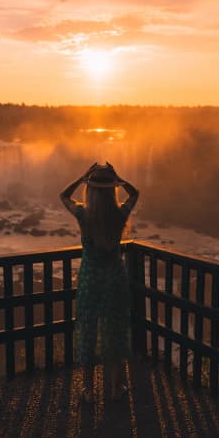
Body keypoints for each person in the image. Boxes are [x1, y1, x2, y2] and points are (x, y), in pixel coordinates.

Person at [59, 162, 139, 402]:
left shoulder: (83, 214)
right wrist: (119, 179)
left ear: (90, 190)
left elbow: (63, 196)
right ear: (112, 190)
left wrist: (81, 177)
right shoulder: (120, 213)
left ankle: (88, 390)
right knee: (114, 329)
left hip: (91, 278)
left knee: (88, 330)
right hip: (114, 277)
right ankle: (115, 387)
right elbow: (135, 194)